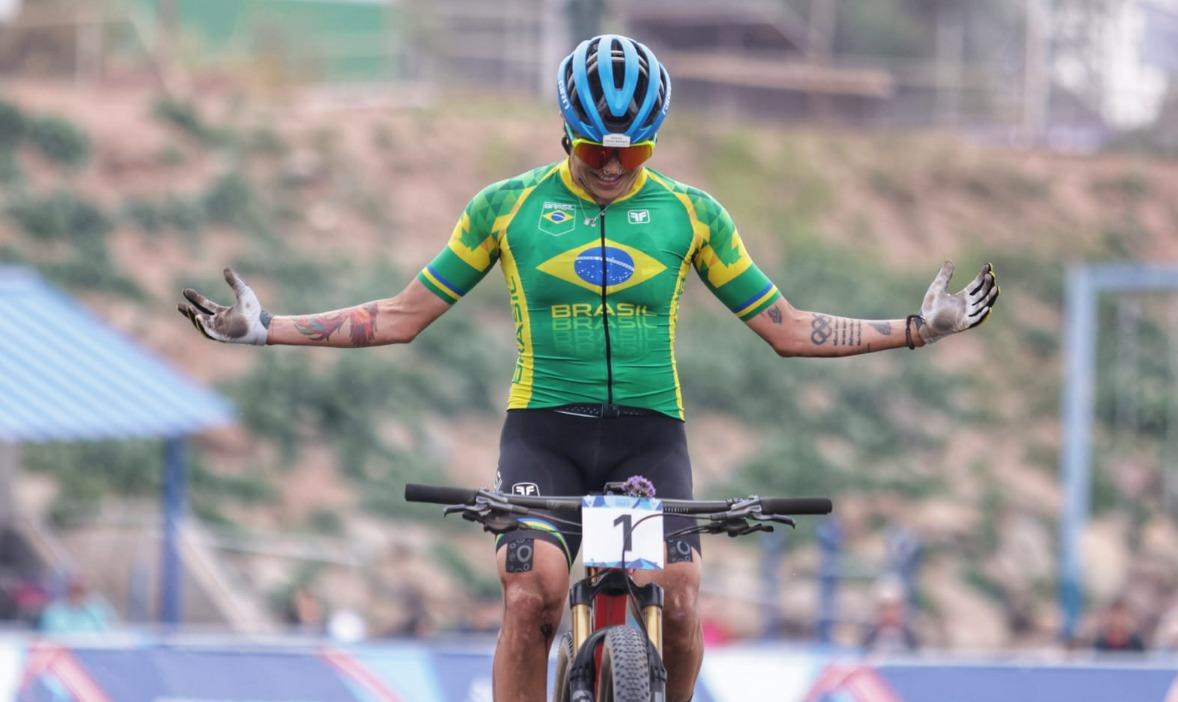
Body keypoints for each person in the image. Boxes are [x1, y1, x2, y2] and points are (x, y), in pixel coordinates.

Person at [178, 34, 999, 702]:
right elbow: (402, 315)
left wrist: (914, 330)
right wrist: (266, 330)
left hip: (650, 439)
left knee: (680, 599)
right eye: (594, 150)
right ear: (561, 131)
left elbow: (786, 328)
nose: (612, 166)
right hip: (545, 439)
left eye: (633, 152)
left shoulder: (692, 215)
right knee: (530, 599)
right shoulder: (506, 209)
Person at [39, 577, 115, 634]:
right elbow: (48, 635)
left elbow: (105, 634)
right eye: (74, 591)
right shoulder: (54, 613)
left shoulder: (95, 612)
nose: (77, 596)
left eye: (80, 592)